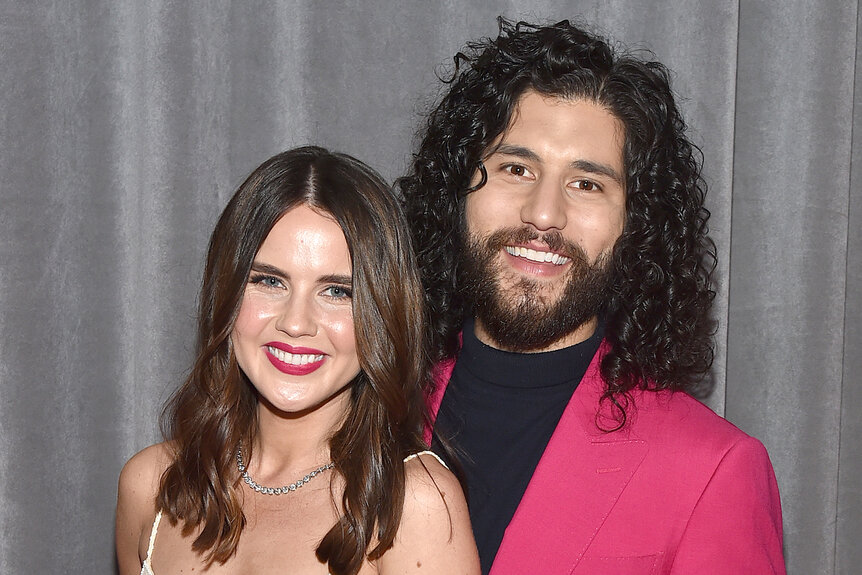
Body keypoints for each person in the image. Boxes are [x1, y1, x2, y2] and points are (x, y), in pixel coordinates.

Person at [398, 19, 786, 575]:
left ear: (636, 224)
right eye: (515, 168)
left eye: (587, 184)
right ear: (456, 190)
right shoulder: (364, 407)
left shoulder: (713, 470)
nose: (544, 213)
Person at [116, 147, 480, 575]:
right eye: (269, 281)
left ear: (384, 313)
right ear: (227, 292)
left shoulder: (414, 504)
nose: (296, 323)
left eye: (337, 291)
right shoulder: (150, 486)